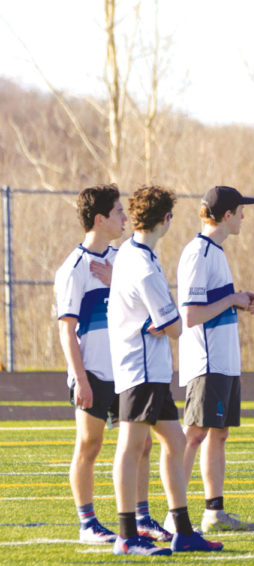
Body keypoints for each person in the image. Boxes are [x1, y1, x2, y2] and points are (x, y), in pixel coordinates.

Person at [108, 185, 224, 556]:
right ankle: (127, 535)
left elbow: (165, 320)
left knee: (174, 442)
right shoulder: (142, 263)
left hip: (149, 368)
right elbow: (175, 326)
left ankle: (183, 530)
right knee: (130, 447)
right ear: (165, 220)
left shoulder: (135, 252)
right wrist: (165, 322)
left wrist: (163, 321)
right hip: (140, 368)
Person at [54, 183, 171, 545]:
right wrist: (80, 379)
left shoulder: (125, 259)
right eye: (118, 212)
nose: (125, 217)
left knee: (142, 446)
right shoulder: (73, 268)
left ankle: (142, 517)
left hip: (128, 371)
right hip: (92, 372)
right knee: (90, 444)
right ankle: (88, 523)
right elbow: (67, 331)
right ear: (100, 218)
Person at [174, 185, 254, 533]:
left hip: (224, 361)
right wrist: (232, 300)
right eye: (241, 210)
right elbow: (191, 315)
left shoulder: (216, 252)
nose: (244, 216)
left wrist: (239, 299)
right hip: (206, 362)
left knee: (217, 434)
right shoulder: (199, 252)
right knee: (194, 433)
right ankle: (174, 513)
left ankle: (214, 513)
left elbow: (215, 304)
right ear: (227, 215)